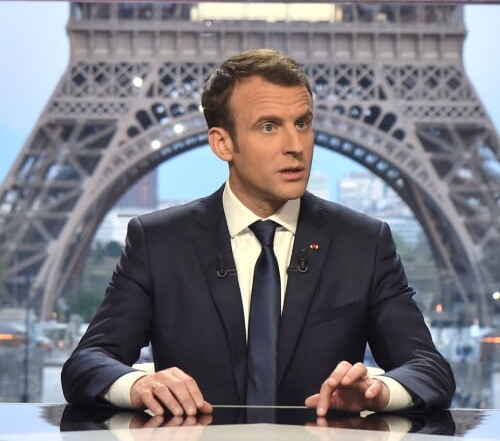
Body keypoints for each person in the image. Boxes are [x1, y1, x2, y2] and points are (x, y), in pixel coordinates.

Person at [61, 48, 455, 419]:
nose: (295, 145)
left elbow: (428, 368)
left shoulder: (363, 243)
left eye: (303, 123)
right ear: (222, 142)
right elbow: (87, 361)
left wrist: (378, 391)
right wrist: (140, 383)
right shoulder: (160, 242)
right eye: (269, 127)